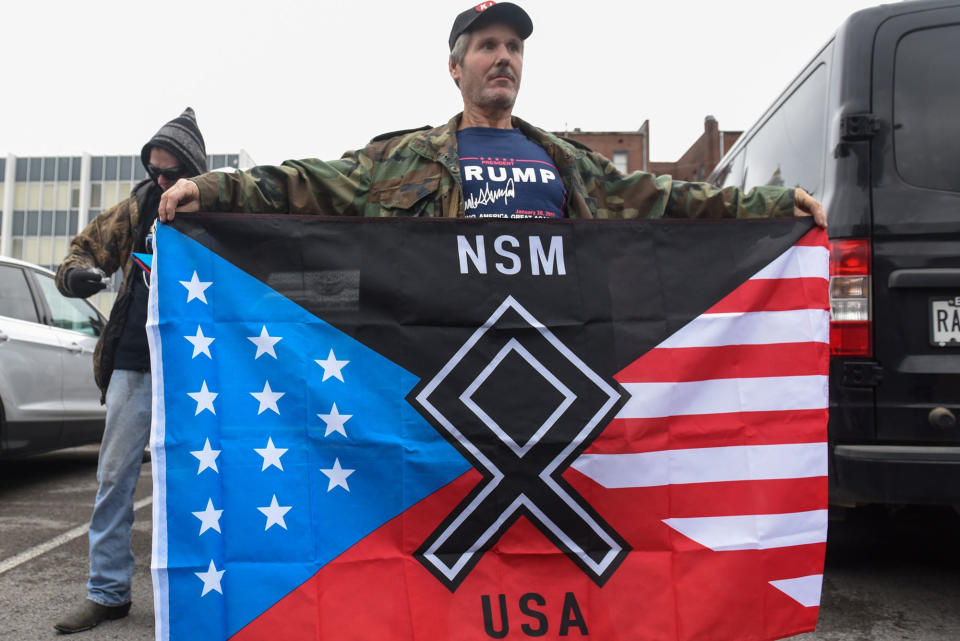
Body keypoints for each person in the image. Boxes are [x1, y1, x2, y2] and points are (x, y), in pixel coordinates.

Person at [158, 3, 825, 227]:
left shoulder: (568, 164)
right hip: (440, 368)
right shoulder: (400, 161)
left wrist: (770, 207)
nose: (504, 57)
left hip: (549, 362)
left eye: (514, 47)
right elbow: (298, 183)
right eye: (488, 46)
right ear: (457, 67)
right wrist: (206, 187)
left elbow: (669, 200)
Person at [53, 108, 208, 634]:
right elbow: (81, 249)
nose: (160, 182)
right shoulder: (138, 205)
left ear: (192, 171)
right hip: (135, 364)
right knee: (116, 477)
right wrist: (77, 276)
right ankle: (108, 592)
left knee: (203, 479)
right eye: (154, 171)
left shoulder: (217, 208)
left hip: (202, 370)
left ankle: (203, 591)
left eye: (170, 174)